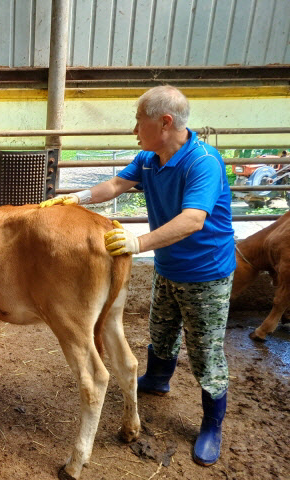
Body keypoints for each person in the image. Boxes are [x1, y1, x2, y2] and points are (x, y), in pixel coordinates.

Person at [41, 85, 235, 466]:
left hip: (205, 274)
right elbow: (115, 184)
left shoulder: (203, 163)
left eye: (138, 121)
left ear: (165, 123)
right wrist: (77, 198)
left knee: (205, 353)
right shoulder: (150, 158)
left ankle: (212, 423)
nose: (134, 130)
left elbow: (194, 219)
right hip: (168, 268)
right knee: (161, 331)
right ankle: (157, 379)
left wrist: (138, 242)